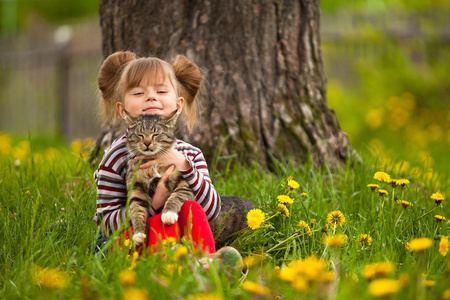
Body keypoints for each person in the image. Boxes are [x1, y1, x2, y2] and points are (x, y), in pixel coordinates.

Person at [93, 51, 221, 258]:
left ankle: (206, 264)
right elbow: (106, 224)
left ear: (178, 106)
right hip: (131, 241)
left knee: (191, 209)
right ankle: (171, 271)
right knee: (163, 224)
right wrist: (153, 205)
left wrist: (183, 165)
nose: (151, 97)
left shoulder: (190, 154)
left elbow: (212, 209)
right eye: (138, 93)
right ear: (122, 110)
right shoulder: (115, 158)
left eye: (161, 91)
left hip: (180, 239)